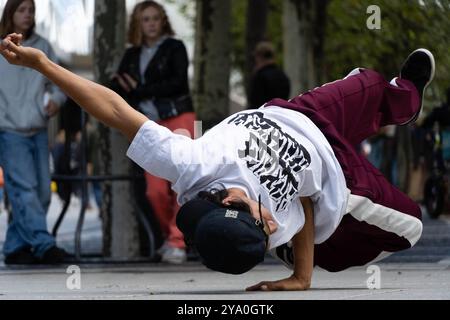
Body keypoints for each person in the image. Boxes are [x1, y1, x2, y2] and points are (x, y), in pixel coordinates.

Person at [0, 34, 433, 290]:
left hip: (296, 113)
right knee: (409, 225)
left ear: (226, 199)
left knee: (369, 83)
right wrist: (302, 278)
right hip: (338, 174)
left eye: (260, 219)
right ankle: (318, 249)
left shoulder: (189, 162)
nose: (270, 217)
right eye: (268, 228)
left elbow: (114, 109)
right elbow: (301, 201)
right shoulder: (277, 222)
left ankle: (405, 98)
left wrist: (42, 64)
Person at [110, 0, 196, 264]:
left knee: (183, 183)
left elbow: (177, 83)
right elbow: (119, 89)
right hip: (148, 126)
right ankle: (171, 236)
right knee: (155, 190)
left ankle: (177, 242)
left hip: (179, 117)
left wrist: (139, 88)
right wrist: (124, 86)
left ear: (163, 21)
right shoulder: (132, 55)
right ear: (137, 23)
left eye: (155, 18)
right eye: (145, 19)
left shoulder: (175, 47)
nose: (150, 24)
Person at [0, 0, 68, 265]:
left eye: (31, 11)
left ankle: (15, 247)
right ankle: (43, 244)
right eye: (21, 10)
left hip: (38, 129)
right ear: (10, 13)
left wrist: (56, 99)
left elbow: (60, 82)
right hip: (8, 130)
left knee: (40, 192)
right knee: (24, 189)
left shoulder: (43, 46)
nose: (27, 15)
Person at [248, 41, 290, 109]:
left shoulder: (260, 77)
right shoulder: (283, 76)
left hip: (263, 115)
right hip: (280, 115)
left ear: (259, 56)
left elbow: (255, 102)